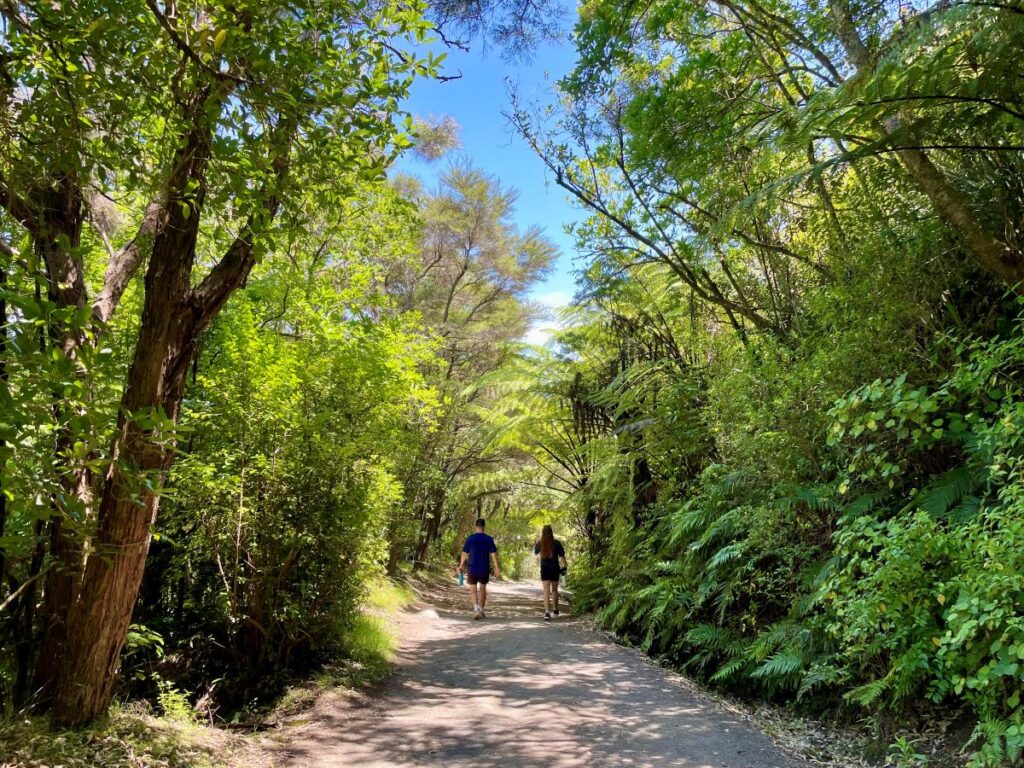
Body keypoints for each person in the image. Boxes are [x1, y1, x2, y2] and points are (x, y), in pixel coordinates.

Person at [456, 518, 500, 620]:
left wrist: (461, 565)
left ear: (475, 527)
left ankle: (476, 609)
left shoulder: (470, 538)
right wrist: (496, 568)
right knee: (483, 588)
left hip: (472, 567)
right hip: (484, 567)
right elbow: (493, 554)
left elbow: (464, 553)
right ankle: (481, 609)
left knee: (473, 589)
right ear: (484, 527)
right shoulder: (489, 539)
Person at [533, 525, 567, 621]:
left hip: (544, 569)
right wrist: (565, 566)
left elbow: (534, 553)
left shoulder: (540, 543)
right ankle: (555, 610)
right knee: (555, 591)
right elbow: (562, 557)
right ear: (551, 532)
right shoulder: (556, 543)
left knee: (546, 591)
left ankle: (547, 612)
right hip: (555, 569)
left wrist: (537, 543)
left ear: (543, 533)